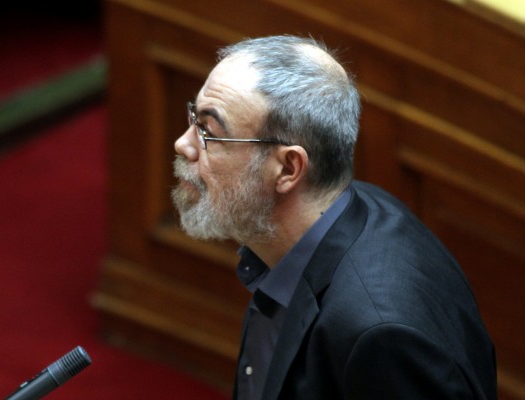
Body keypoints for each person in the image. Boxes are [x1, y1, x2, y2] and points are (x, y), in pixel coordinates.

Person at [171, 35, 497, 399]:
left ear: (288, 169)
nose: (183, 144)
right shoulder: (349, 208)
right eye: (193, 118)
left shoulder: (381, 337)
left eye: (209, 132)